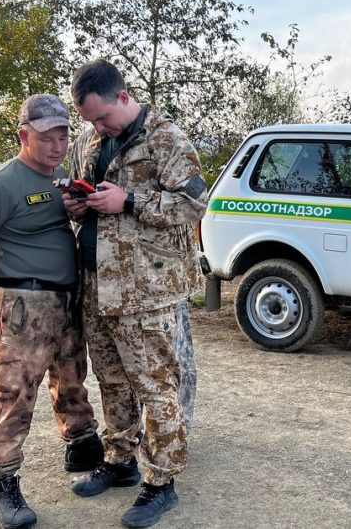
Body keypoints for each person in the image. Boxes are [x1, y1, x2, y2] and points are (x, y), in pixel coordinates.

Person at [63, 58, 206, 529]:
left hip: (145, 290)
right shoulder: (94, 140)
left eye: (102, 117)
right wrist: (78, 202)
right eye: (89, 121)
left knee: (155, 386)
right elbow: (94, 200)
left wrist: (128, 201)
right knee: (112, 380)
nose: (97, 127)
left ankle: (161, 483)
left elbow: (192, 204)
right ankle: (121, 458)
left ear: (123, 97)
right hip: (98, 284)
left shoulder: (168, 139)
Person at [0, 94, 104, 529]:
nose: (57, 146)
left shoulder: (60, 178)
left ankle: (82, 445)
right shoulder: (0, 183)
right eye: (46, 138)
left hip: (66, 298)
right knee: (15, 393)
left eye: (62, 136)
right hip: (25, 303)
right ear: (24, 136)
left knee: (72, 376)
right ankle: (2, 482)